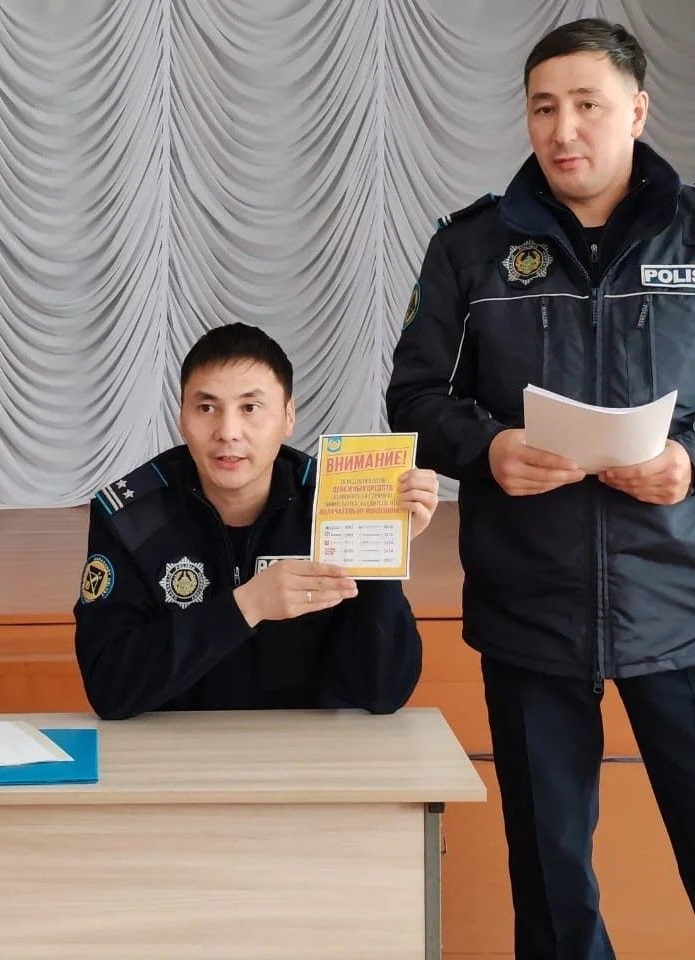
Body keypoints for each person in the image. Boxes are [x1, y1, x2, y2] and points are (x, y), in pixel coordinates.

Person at [387, 18, 695, 959]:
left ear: (636, 111)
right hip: (530, 606)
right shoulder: (472, 247)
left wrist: (689, 458)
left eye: (588, 105)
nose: (564, 130)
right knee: (553, 884)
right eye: (544, 108)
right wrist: (489, 448)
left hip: (680, 602)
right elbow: (413, 397)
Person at [74, 322, 438, 720]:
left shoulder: (335, 505)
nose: (228, 432)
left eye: (250, 408)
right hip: (173, 748)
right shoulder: (130, 517)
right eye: (207, 408)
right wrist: (247, 605)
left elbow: (383, 693)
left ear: (288, 417)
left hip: (309, 749)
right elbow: (109, 687)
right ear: (181, 418)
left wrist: (382, 555)